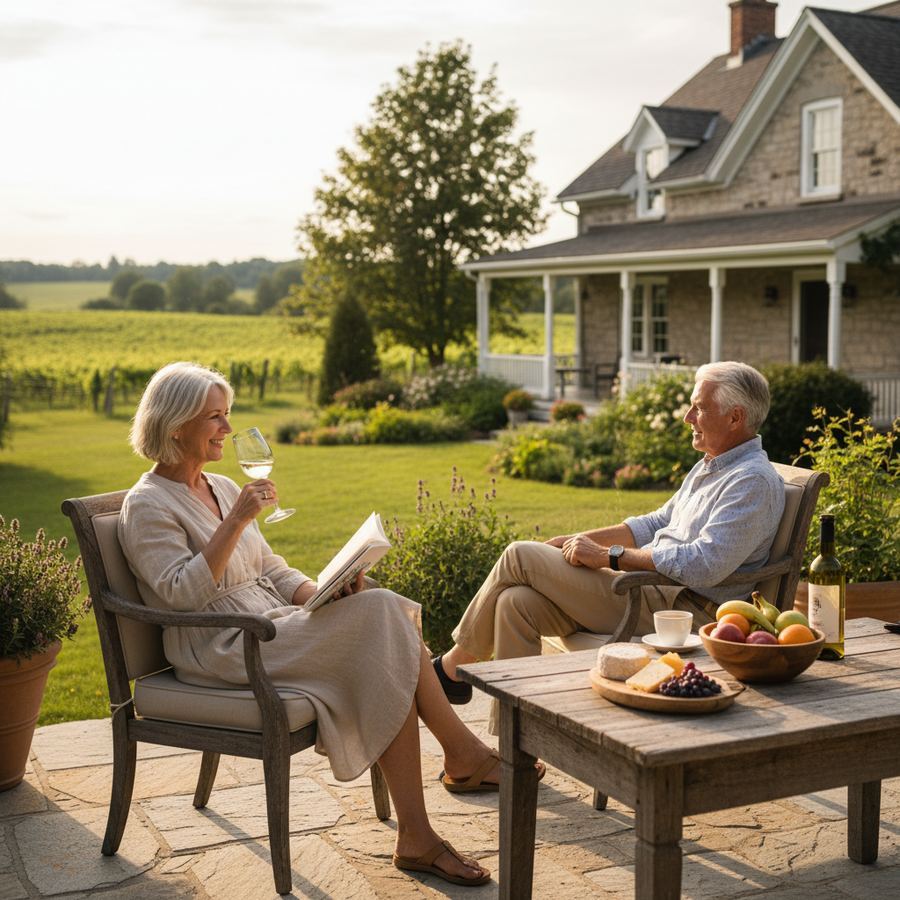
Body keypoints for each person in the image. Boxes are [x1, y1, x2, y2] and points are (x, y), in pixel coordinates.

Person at [118, 361, 516, 888]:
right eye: (215, 418)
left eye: (227, 415)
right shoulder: (144, 505)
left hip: (266, 624)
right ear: (175, 425)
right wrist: (237, 521)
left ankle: (423, 824)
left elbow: (271, 568)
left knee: (380, 608)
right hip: (219, 644)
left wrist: (323, 593)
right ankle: (459, 761)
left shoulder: (215, 483)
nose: (228, 430)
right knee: (383, 619)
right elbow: (179, 596)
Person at [433, 361, 786, 712]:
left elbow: (705, 564)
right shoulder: (713, 464)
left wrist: (610, 557)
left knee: (518, 555)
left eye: (700, 408)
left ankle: (451, 670)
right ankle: (514, 753)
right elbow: (656, 522)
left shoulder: (750, 481)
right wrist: (578, 538)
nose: (688, 417)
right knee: (516, 603)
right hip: (648, 590)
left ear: (735, 418)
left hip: (680, 609)